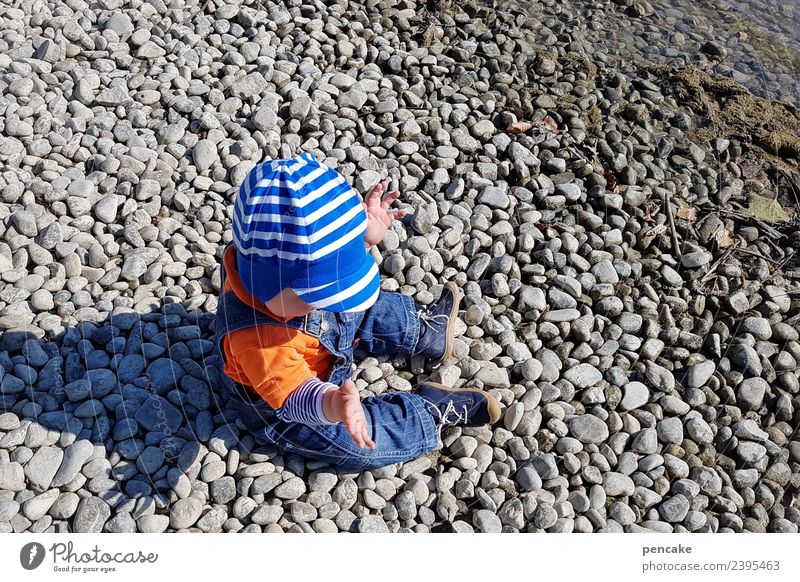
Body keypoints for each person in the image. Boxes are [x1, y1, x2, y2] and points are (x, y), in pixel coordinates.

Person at [213, 152, 500, 471]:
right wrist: (334, 405)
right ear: (266, 286)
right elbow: (296, 399)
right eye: (318, 293)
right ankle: (426, 412)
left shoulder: (272, 275)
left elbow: (320, 259)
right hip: (291, 399)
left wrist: (365, 237)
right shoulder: (261, 342)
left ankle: (421, 330)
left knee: (358, 305)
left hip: (319, 340)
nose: (329, 300)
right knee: (360, 446)